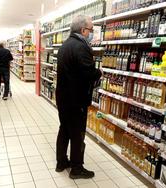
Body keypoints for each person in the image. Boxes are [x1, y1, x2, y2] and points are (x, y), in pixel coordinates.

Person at [55, 15, 102, 179]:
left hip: (63, 97)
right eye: (91, 29)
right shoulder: (81, 47)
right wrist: (99, 72)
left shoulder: (65, 45)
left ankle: (61, 162)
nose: (91, 33)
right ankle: (77, 168)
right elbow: (87, 73)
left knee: (64, 129)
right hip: (76, 100)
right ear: (83, 30)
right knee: (77, 133)